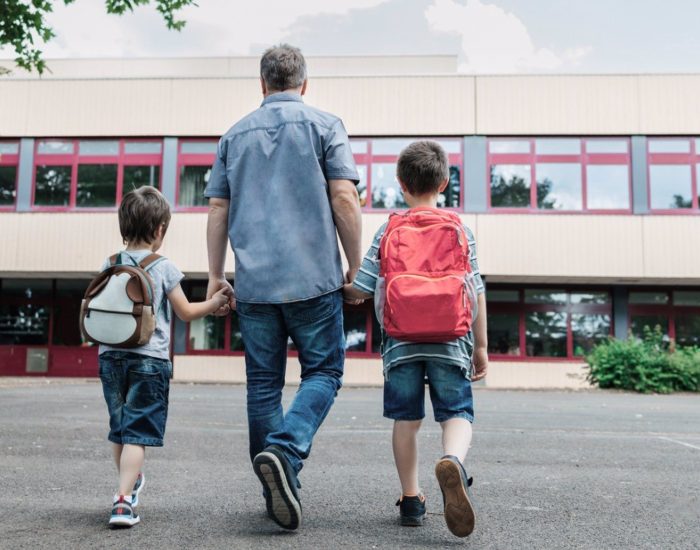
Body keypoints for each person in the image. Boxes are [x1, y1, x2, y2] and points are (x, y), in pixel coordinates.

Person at [204, 44, 362, 530]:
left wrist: (216, 275)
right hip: (313, 280)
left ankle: (276, 484)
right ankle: (285, 453)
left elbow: (216, 209)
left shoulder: (233, 136)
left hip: (254, 286)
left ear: (262, 84)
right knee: (324, 372)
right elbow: (344, 197)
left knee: (263, 386)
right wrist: (356, 268)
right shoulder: (325, 126)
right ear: (304, 84)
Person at [343, 141, 488, 538]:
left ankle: (411, 500)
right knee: (457, 412)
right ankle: (453, 461)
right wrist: (481, 347)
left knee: (406, 421)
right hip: (451, 339)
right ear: (443, 182)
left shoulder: (389, 228)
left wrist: (343, 285)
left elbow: (362, 288)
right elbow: (475, 290)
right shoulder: (459, 228)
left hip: (401, 343)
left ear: (401, 183)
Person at [98, 187, 232, 528]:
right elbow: (185, 312)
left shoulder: (110, 263)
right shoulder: (163, 266)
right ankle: (123, 502)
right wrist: (216, 303)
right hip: (149, 360)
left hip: (110, 357)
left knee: (120, 429)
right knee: (137, 433)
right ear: (160, 230)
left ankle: (127, 482)